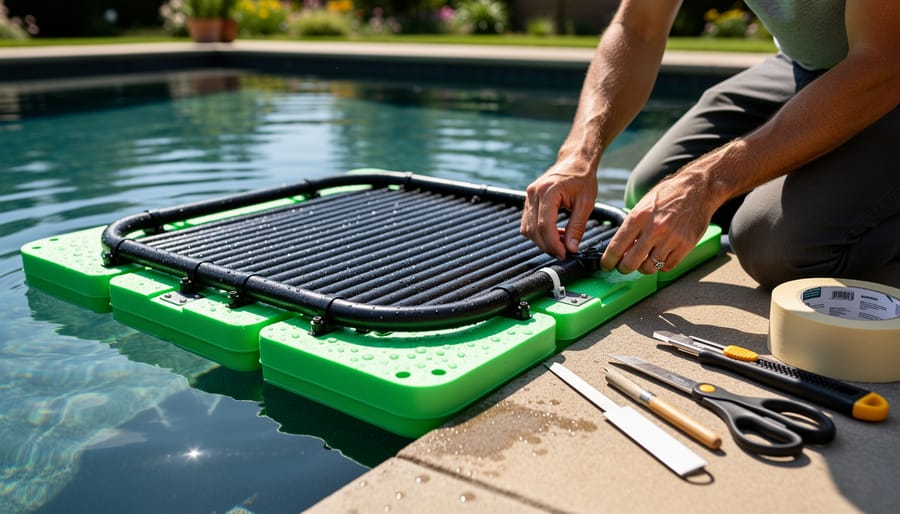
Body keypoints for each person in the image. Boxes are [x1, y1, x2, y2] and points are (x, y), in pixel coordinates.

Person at [520, 0, 900, 290]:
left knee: (774, 248)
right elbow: (638, 27)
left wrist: (706, 182)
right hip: (805, 64)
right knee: (651, 190)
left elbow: (882, 63)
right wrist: (578, 155)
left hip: (884, 65)